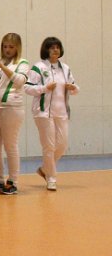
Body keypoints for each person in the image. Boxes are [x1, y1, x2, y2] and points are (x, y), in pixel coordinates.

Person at [24, 37, 79, 191]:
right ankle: (51, 178)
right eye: (52, 47)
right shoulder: (38, 67)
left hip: (62, 112)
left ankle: (44, 169)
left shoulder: (65, 68)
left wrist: (73, 88)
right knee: (49, 146)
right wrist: (44, 88)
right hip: (43, 112)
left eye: (57, 47)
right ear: (46, 50)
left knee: (62, 145)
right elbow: (27, 88)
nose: (55, 50)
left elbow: (75, 87)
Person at [0, 33, 30, 195]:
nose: (7, 50)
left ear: (17, 48)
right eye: (5, 46)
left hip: (12, 107)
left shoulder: (22, 63)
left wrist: (2, 67)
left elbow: (19, 81)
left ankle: (13, 181)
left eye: (11, 47)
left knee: (10, 145)